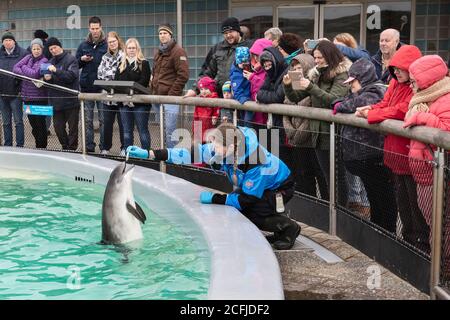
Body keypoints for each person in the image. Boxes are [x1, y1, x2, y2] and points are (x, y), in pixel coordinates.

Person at [126, 123, 301, 250]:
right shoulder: (224, 145)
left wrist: (216, 198)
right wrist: (150, 153)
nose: (214, 151)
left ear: (232, 147)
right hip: (259, 188)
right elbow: (186, 154)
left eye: (218, 148)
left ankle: (288, 228)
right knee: (241, 211)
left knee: (251, 212)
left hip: (280, 188)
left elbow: (247, 200)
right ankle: (277, 224)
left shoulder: (255, 161)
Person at [356, 45, 430, 251]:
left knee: (416, 210)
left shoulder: (415, 88)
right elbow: (385, 104)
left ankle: (419, 250)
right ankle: (408, 246)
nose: (395, 71)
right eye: (394, 68)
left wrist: (371, 114)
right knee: (404, 209)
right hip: (396, 156)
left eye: (400, 68)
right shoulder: (395, 84)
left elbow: (400, 110)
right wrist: (370, 109)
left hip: (411, 159)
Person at [283, 41, 351, 205]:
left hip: (334, 133)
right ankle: (331, 213)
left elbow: (334, 100)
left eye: (320, 57)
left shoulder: (342, 74)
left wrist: (311, 87)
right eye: (315, 57)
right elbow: (295, 98)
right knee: (327, 177)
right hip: (318, 134)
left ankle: (341, 213)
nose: (317, 60)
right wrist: (288, 86)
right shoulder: (315, 74)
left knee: (337, 178)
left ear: (330, 56)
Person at [333, 58, 398, 230]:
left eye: (353, 81)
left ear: (363, 78)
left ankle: (386, 231)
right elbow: (342, 102)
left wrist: (341, 105)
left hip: (372, 155)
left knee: (382, 196)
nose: (351, 86)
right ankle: (378, 229)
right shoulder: (363, 91)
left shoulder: (374, 92)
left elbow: (352, 104)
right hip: (364, 155)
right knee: (374, 195)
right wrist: (341, 103)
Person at [403, 55, 450, 262]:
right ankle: (438, 262)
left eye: (413, 80)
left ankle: (442, 264)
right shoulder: (426, 97)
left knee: (442, 221)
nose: (411, 84)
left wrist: (422, 117)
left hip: (438, 172)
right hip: (426, 170)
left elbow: (446, 130)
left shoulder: (444, 98)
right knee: (433, 220)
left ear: (427, 79)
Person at [282, 53, 328, 199]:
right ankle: (308, 207)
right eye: (294, 67)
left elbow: (312, 110)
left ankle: (325, 206)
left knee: (319, 173)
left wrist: (299, 133)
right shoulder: (293, 86)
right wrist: (291, 131)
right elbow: (286, 106)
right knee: (303, 174)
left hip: (310, 137)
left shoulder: (312, 84)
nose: (297, 70)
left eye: (300, 67)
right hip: (296, 139)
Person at [185, 17, 253, 98]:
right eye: (225, 33)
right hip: (221, 96)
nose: (228, 35)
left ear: (238, 31)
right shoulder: (217, 48)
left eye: (231, 32)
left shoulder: (250, 47)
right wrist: (195, 89)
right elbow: (207, 72)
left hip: (244, 95)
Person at [151, 23, 189, 148]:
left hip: (170, 99)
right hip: (157, 98)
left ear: (170, 35)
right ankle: (163, 156)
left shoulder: (178, 51)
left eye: (165, 33)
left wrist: (172, 94)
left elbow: (183, 76)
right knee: (161, 130)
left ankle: (172, 158)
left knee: (170, 131)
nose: (162, 36)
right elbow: (155, 72)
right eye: (160, 33)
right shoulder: (158, 52)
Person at [76, 16, 108, 153]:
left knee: (103, 120)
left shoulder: (107, 45)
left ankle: (103, 148)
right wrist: (82, 60)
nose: (95, 31)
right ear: (89, 28)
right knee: (88, 121)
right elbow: (75, 64)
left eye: (97, 28)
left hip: (102, 87)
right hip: (87, 87)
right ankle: (89, 147)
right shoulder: (83, 45)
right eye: (92, 28)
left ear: (101, 28)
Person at [115, 38, 151, 154]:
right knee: (126, 131)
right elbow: (117, 81)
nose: (131, 50)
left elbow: (144, 81)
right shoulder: (121, 63)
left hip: (140, 103)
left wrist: (130, 89)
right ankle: (127, 151)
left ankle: (146, 153)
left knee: (142, 130)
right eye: (129, 48)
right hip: (125, 103)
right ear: (126, 49)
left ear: (137, 49)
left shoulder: (143, 63)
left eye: (133, 48)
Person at [43, 37, 80, 151]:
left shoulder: (71, 59)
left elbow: (70, 77)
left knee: (73, 129)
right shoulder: (50, 62)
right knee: (58, 128)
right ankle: (65, 147)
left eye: (55, 47)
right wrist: (47, 79)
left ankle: (72, 149)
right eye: (51, 49)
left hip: (71, 101)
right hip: (56, 101)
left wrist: (55, 71)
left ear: (60, 47)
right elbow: (49, 82)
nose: (53, 50)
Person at [13, 38, 49, 149]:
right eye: (34, 48)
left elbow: (34, 74)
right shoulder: (28, 57)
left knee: (40, 125)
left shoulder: (44, 61)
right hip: (28, 98)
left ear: (42, 49)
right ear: (31, 49)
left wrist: (23, 68)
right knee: (33, 125)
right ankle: (38, 145)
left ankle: (42, 147)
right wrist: (26, 69)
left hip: (39, 99)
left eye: (38, 48)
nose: (36, 51)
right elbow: (15, 68)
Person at [97, 31, 125, 155]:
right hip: (107, 97)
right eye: (110, 42)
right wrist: (113, 75)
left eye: (114, 41)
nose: (112, 44)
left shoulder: (124, 55)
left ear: (118, 41)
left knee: (123, 125)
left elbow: (122, 75)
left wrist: (111, 75)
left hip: (121, 97)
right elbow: (100, 74)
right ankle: (105, 148)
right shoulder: (104, 57)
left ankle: (125, 148)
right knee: (106, 125)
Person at [0, 31, 28, 147]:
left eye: (10, 40)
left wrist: (21, 91)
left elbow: (26, 73)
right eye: (5, 40)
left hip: (16, 94)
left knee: (18, 122)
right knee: (6, 122)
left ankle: (20, 145)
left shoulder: (23, 53)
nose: (7, 42)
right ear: (2, 42)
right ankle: (8, 145)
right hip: (2, 95)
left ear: (14, 41)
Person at [242, 38, 272, 128]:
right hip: (257, 116)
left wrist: (252, 78)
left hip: (268, 117)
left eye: (258, 55)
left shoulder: (270, 69)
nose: (255, 58)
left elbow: (267, 86)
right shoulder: (256, 69)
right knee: (258, 141)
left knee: (273, 141)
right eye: (254, 55)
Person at [193, 76, 220, 143]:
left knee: (209, 146)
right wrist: (195, 129)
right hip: (199, 128)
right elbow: (196, 116)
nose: (203, 91)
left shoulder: (214, 99)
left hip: (210, 128)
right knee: (199, 146)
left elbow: (216, 110)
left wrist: (215, 116)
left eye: (206, 89)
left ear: (211, 88)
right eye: (201, 89)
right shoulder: (199, 100)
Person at [230, 46, 251, 125]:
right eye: (241, 62)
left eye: (245, 61)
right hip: (244, 102)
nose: (243, 64)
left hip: (249, 99)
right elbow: (237, 90)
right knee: (246, 124)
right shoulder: (236, 74)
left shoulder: (247, 69)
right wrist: (244, 100)